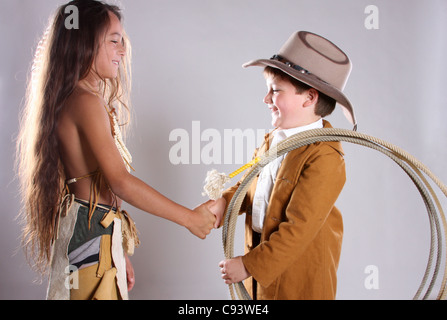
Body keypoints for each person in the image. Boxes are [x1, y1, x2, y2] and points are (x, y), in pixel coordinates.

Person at [16, 0, 219, 300]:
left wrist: (117, 251)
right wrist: (189, 218)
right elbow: (119, 181)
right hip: (90, 239)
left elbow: (100, 193)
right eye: (114, 41)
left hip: (94, 238)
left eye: (122, 42)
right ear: (85, 42)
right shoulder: (85, 101)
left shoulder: (79, 97)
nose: (122, 51)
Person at [215, 31, 357, 299]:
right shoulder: (274, 140)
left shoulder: (324, 155)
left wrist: (248, 265)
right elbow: (251, 185)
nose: (266, 99)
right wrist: (224, 202)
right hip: (262, 269)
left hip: (300, 279)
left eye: (275, 91)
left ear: (309, 97)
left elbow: (298, 229)